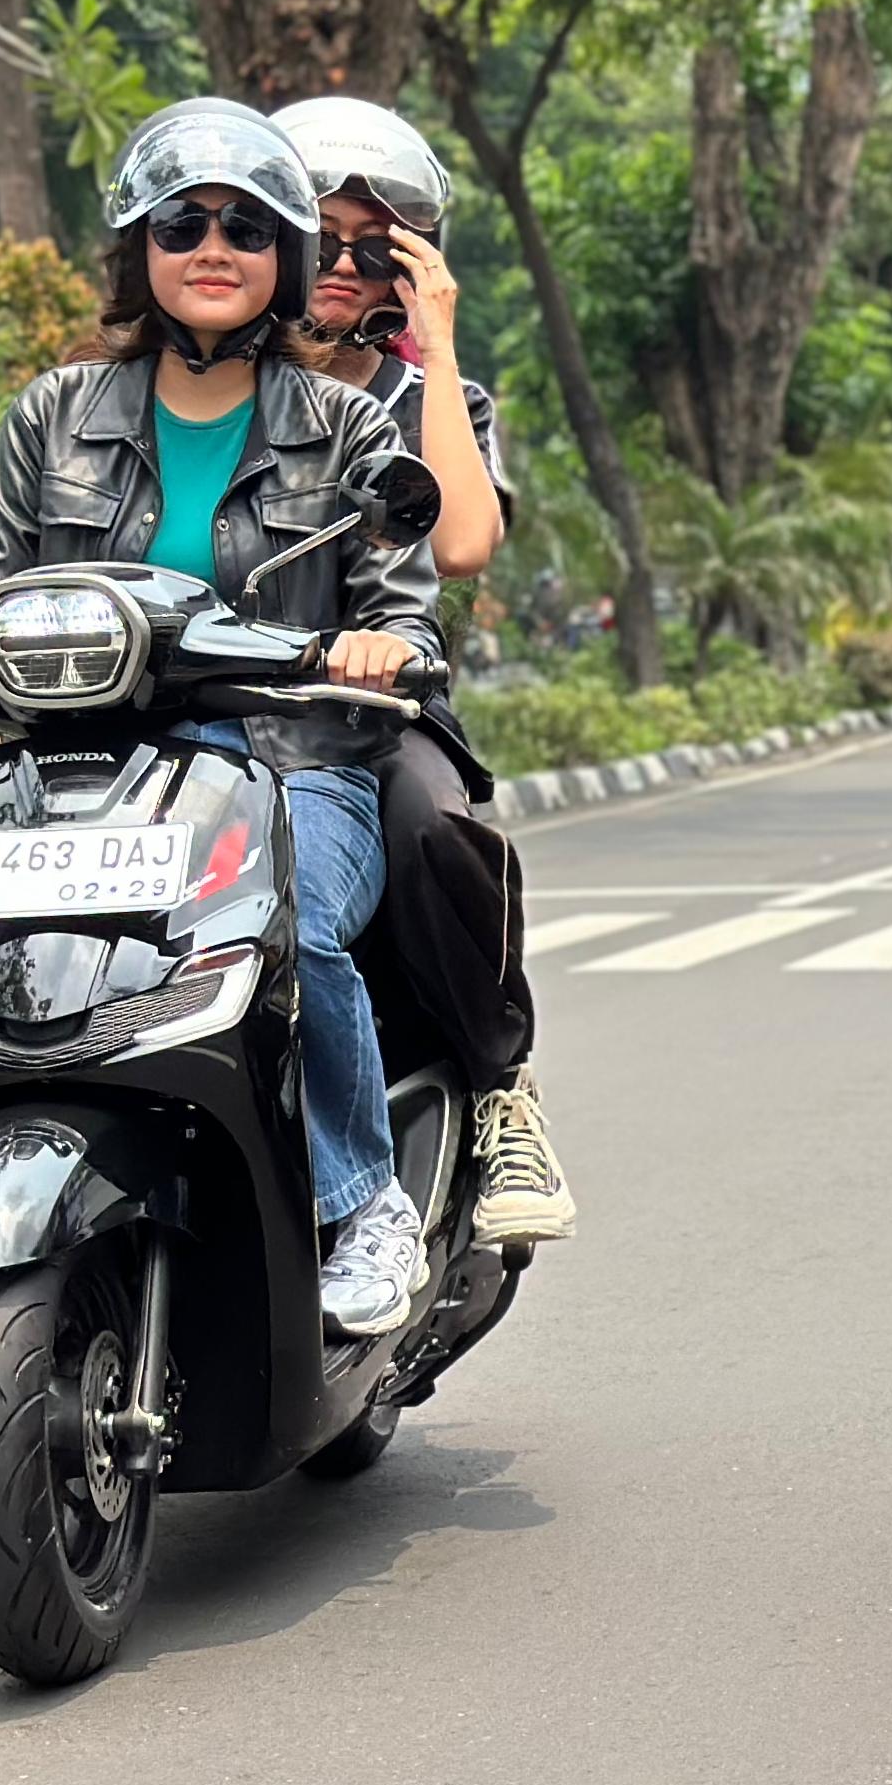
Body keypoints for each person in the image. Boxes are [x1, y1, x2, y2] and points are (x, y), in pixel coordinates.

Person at [0, 101, 445, 1336]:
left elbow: (409, 621)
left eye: (247, 228)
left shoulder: (347, 427)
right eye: (182, 222)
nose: (213, 246)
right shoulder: (53, 416)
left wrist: (375, 648)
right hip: (79, 775)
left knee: (294, 926)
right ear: (139, 252)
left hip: (287, 768)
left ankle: (364, 1197)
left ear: (287, 260)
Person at [275, 96, 573, 1248]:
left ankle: (500, 1089)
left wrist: (436, 349)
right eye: (315, 240)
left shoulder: (428, 395)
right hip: (196, 702)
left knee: (432, 829)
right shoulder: (196, 383)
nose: (339, 269)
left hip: (367, 705)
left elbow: (459, 546)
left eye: (371, 248)